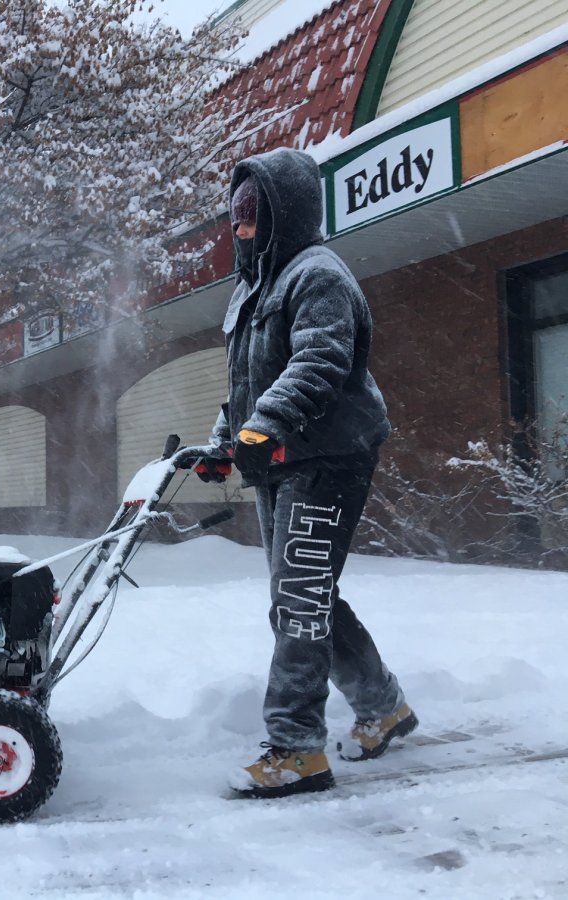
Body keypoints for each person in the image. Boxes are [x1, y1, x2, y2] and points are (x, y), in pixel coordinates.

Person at [171, 147, 417, 799]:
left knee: (298, 600)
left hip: (331, 453)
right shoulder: (252, 290)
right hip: (282, 457)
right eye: (236, 215)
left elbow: (319, 363)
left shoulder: (318, 276)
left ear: (288, 212)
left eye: (252, 213)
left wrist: (266, 425)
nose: (240, 228)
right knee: (304, 594)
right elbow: (245, 386)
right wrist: (225, 441)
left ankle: (296, 748)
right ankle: (381, 704)